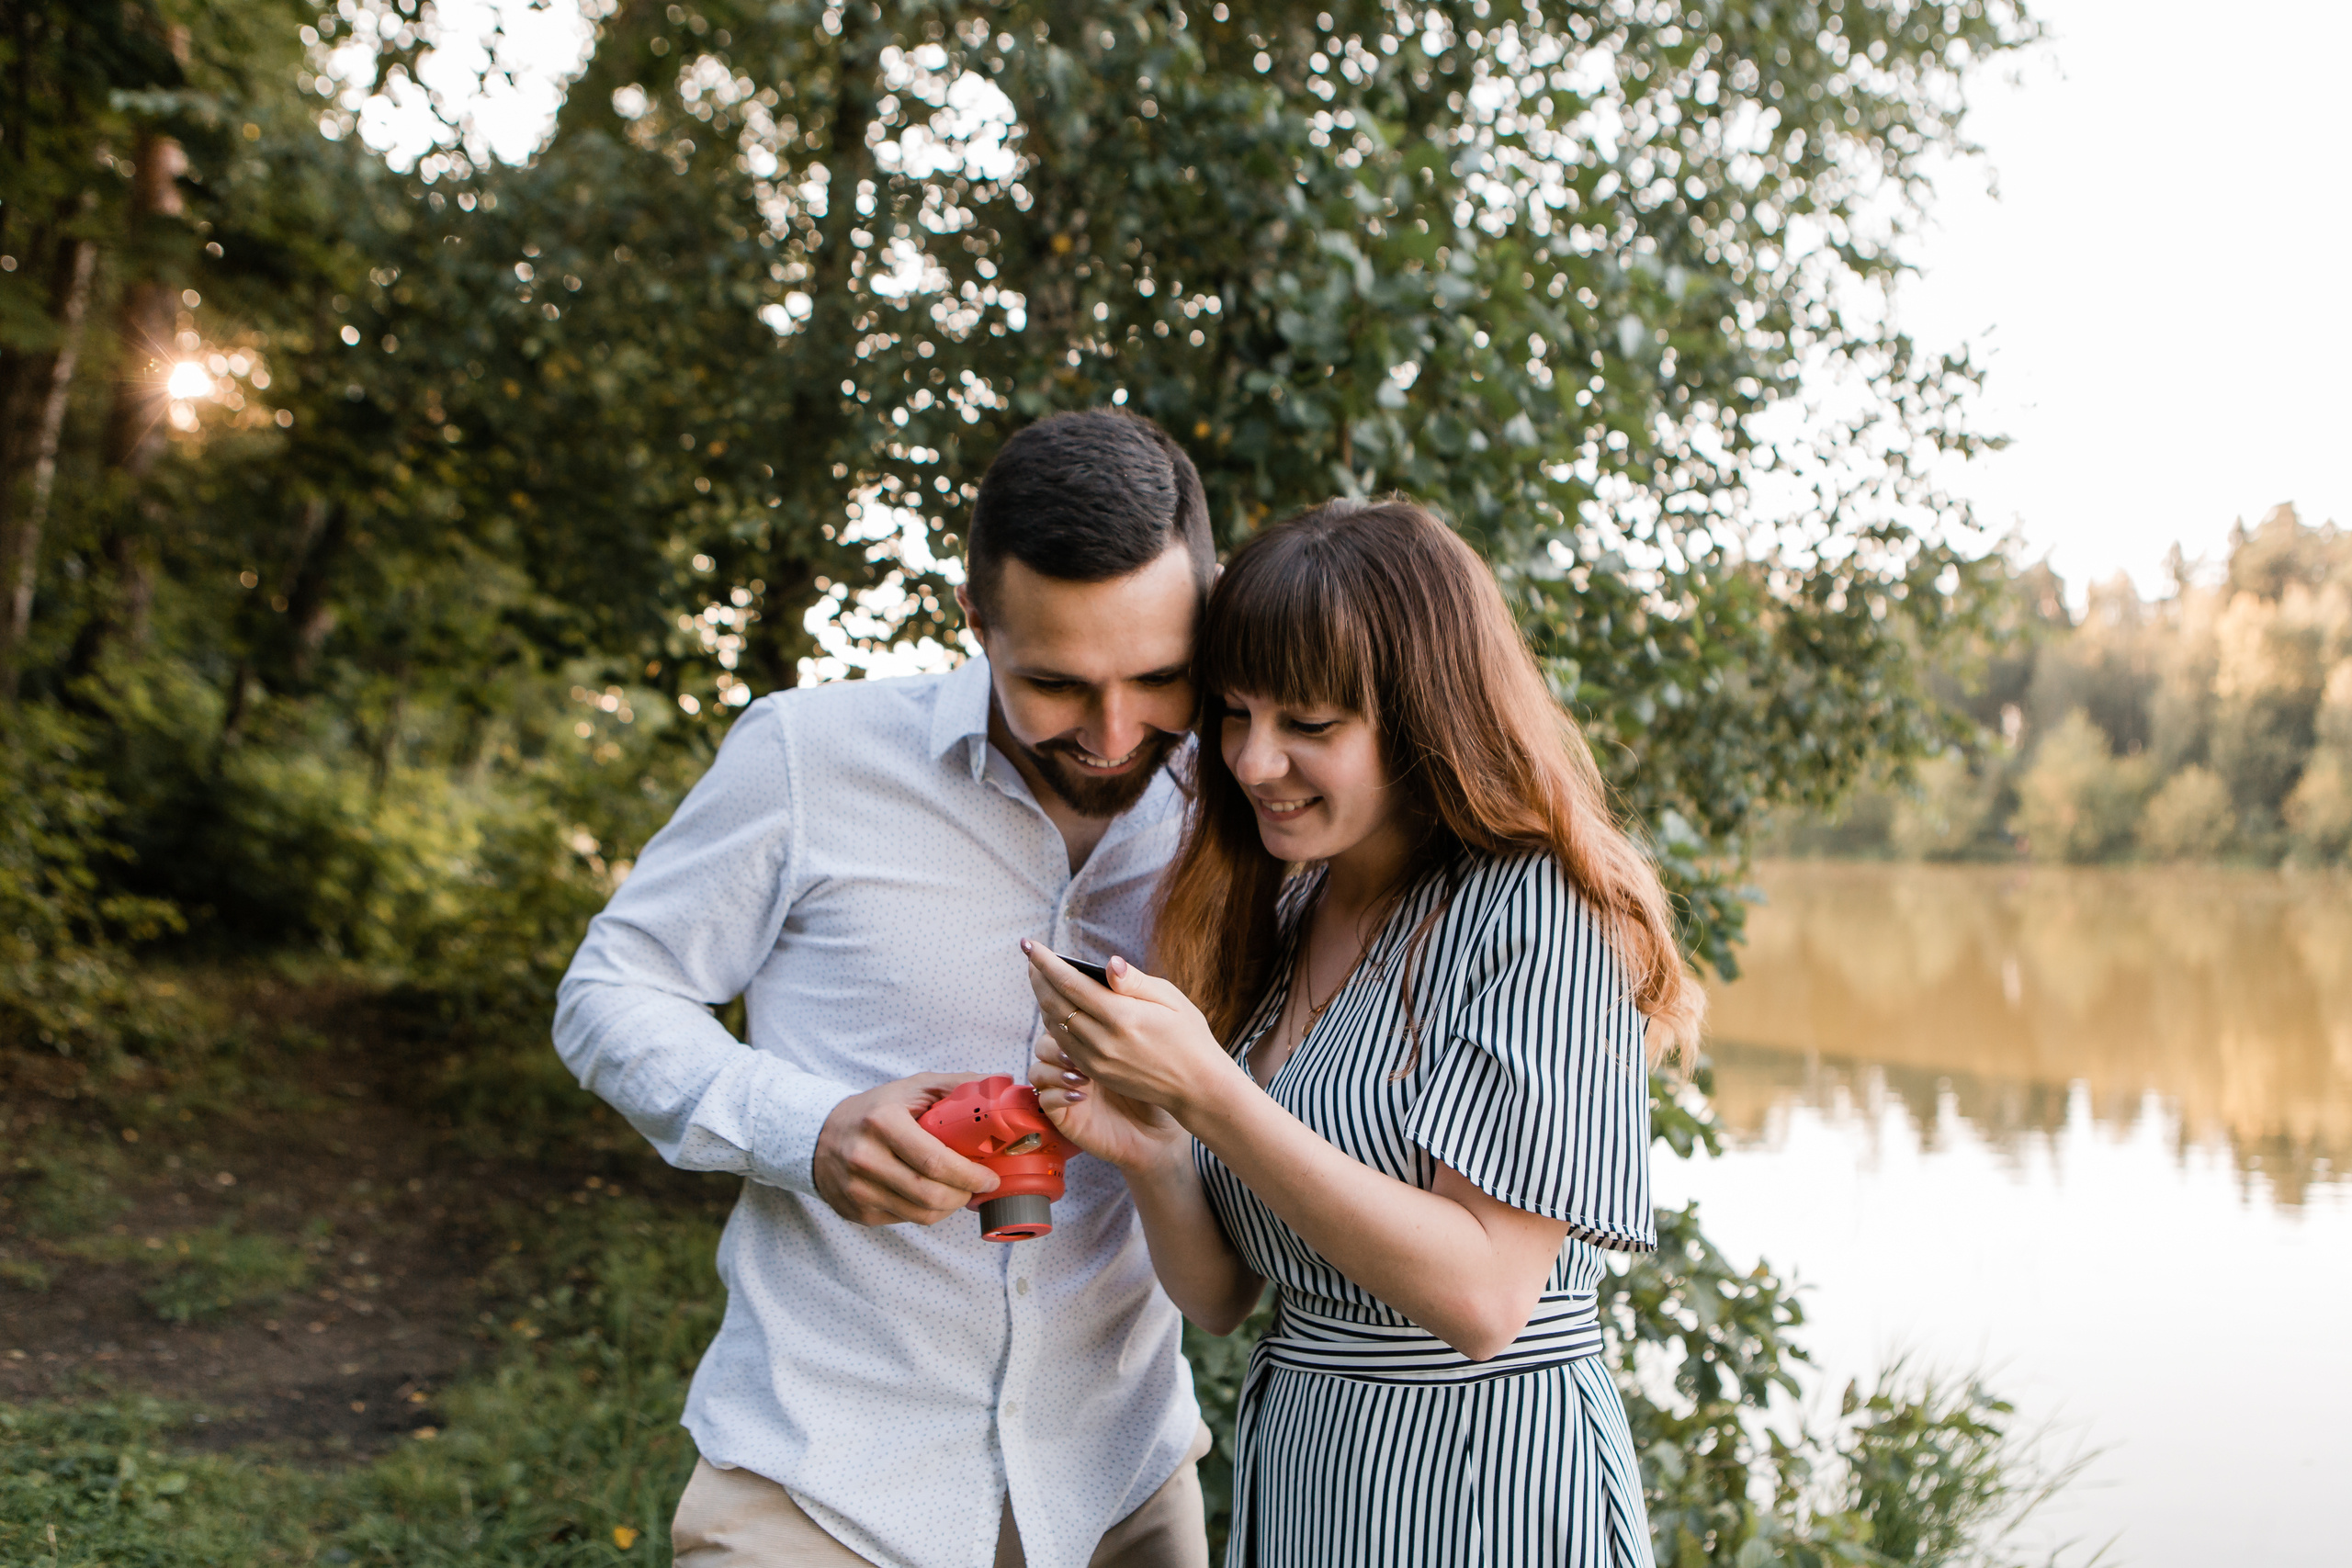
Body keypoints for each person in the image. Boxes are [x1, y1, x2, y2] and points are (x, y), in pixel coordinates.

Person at [554, 410, 1219, 1568]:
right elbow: (612, 992)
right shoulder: (808, 758)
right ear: (975, 623)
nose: (1117, 736)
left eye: (1160, 677)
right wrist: (805, 1129)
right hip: (822, 1487)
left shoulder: (1242, 808)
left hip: (1122, 1489)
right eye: (1057, 684)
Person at [1024, 499, 1702, 1567]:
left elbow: (1483, 1297)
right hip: (1312, 1474)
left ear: (1427, 715)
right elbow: (1225, 1296)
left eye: (1309, 724)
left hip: (1486, 1489)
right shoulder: (1300, 908)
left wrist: (1210, 1093)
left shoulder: (1540, 914)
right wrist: (1153, 1146)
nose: (1251, 763)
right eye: (1235, 713)